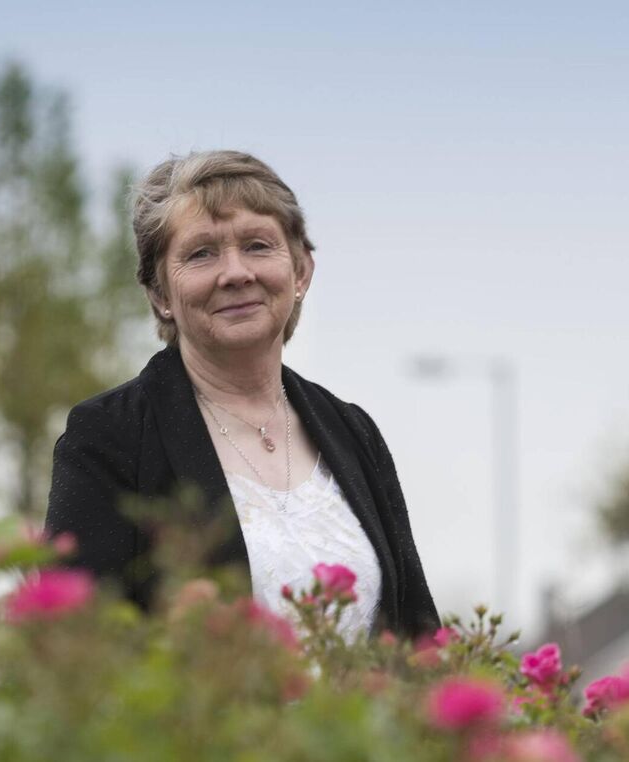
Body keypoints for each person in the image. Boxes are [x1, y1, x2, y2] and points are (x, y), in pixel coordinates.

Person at [45, 150, 440, 640]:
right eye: (201, 253)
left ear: (300, 273)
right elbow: (73, 642)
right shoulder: (110, 436)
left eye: (257, 245)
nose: (235, 272)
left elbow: (417, 635)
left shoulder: (355, 433)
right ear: (161, 294)